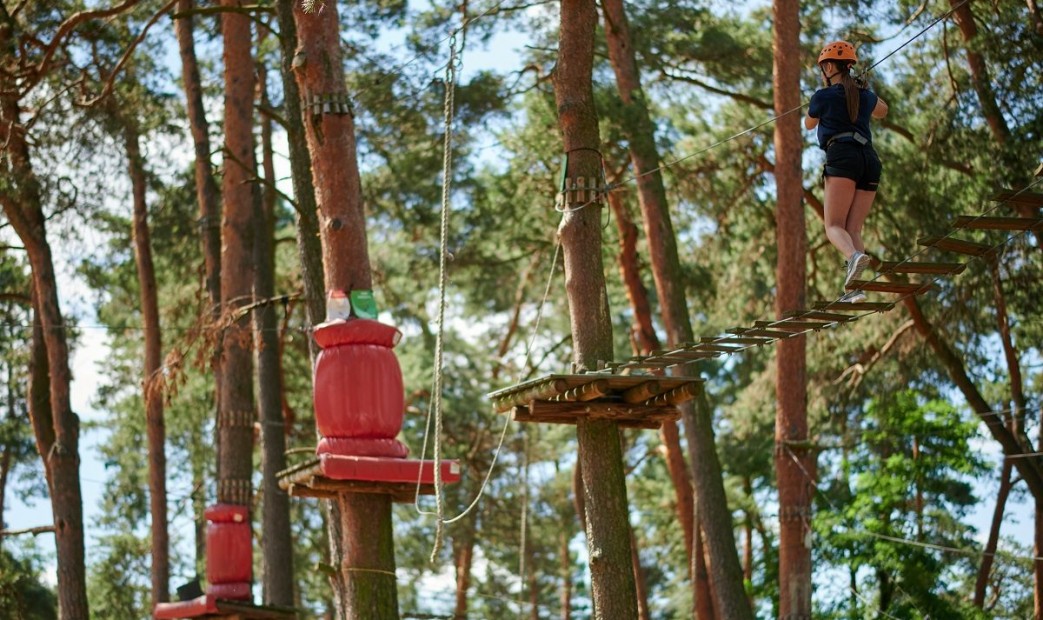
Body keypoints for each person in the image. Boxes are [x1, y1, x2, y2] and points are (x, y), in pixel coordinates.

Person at [805, 40, 888, 303]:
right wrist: (863, 88)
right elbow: (883, 112)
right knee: (853, 229)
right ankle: (856, 289)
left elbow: (808, 124)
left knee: (833, 226)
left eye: (822, 68)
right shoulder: (863, 95)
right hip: (869, 160)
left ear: (829, 67)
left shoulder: (822, 96)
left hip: (842, 156)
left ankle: (854, 258)